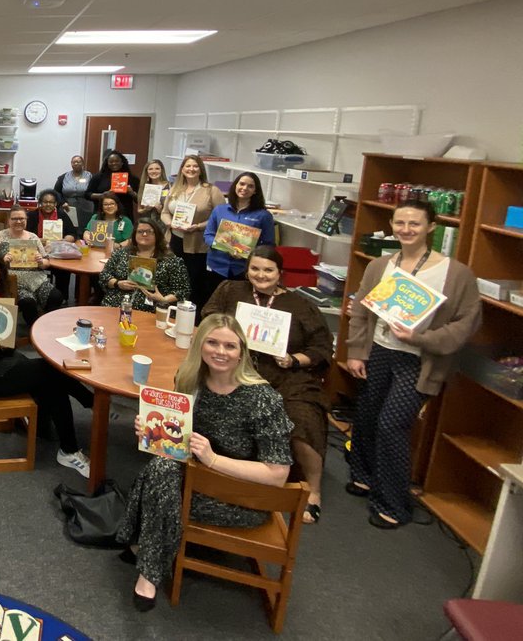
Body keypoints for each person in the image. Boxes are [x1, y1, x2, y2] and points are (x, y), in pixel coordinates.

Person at [118, 313, 293, 612]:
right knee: (159, 468)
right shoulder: (188, 381)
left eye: (230, 346)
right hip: (195, 476)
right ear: (199, 345)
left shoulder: (263, 399)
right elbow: (177, 443)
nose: (220, 352)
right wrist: (152, 430)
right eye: (212, 342)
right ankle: (149, 557)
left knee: (156, 484)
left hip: (242, 498)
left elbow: (278, 474)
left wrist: (213, 460)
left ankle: (148, 562)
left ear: (242, 353)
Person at [346, 200, 481, 529]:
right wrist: (356, 351)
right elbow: (362, 312)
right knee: (366, 415)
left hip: (419, 361)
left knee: (391, 425)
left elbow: (467, 323)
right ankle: (363, 475)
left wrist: (421, 338)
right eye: (400, 223)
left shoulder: (455, 273)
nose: (406, 230)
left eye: (415, 224)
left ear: (431, 227)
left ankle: (393, 503)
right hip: (379, 351)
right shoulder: (380, 265)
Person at [202, 246, 332, 523]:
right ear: (247, 269)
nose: (260, 275)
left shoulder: (300, 304)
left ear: (280, 273)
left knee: (303, 418)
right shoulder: (230, 290)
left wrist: (294, 359)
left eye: (268, 270)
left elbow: (322, 347)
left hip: (287, 376)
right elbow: (209, 316)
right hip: (235, 369)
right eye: (255, 268)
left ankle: (312, 490)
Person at [0, 249, 94, 476]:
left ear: (0, 274)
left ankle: (66, 439)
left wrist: (1, 343)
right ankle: (88, 408)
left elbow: (7, 343)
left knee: (51, 380)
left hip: (2, 363)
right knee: (52, 371)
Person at [161, 155, 225, 312]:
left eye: (195, 166)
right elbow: (164, 212)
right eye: (187, 166)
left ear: (201, 169)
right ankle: (173, 313)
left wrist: (198, 226)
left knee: (193, 283)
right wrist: (170, 223)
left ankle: (192, 318)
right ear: (182, 169)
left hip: (197, 244)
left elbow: (221, 218)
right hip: (174, 240)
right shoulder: (175, 189)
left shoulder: (211, 190)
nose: (191, 169)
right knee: (173, 279)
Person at [201, 171, 276, 303]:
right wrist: (224, 246)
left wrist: (248, 253)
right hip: (216, 266)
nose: (244, 188)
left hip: (243, 270)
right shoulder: (220, 210)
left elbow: (268, 245)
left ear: (255, 191)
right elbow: (208, 235)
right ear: (235, 185)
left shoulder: (263, 215)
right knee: (212, 304)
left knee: (236, 306)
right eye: (242, 184)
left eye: (250, 186)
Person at [0, 206, 63, 325]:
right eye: (15, 219)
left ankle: (46, 324)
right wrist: (1, 260)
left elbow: (47, 262)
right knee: (28, 302)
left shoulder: (33, 237)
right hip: (13, 281)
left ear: (26, 220)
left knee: (56, 296)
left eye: (22, 218)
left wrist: (40, 261)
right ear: (9, 220)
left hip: (36, 279)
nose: (18, 221)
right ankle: (34, 327)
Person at [99, 214, 191, 312]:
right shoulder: (122, 253)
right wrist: (118, 283)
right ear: (134, 235)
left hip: (155, 307)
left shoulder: (171, 260)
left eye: (149, 232)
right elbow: (104, 276)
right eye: (140, 231)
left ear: (157, 235)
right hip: (118, 302)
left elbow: (183, 290)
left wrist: (164, 299)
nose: (144, 234)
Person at [87, 150, 137, 224]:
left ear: (122, 162)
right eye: (111, 161)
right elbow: (87, 194)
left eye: (117, 161)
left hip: (125, 215)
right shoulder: (98, 177)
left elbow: (138, 200)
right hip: (102, 214)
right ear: (107, 163)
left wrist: (131, 192)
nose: (114, 163)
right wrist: (102, 195)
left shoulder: (133, 179)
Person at [53, 154, 94, 227]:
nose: (76, 164)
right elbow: (56, 192)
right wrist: (62, 202)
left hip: (86, 207)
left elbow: (94, 190)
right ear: (71, 164)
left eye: (78, 162)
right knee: (69, 226)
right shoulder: (64, 177)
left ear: (83, 163)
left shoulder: (90, 176)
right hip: (68, 206)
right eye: (73, 162)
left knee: (84, 227)